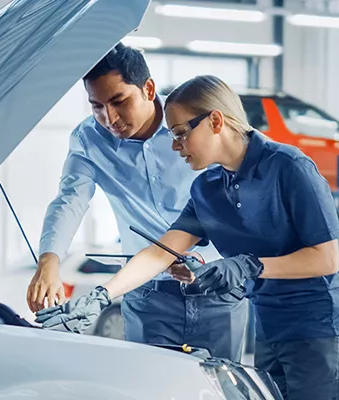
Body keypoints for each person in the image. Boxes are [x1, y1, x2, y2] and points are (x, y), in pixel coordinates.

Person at [36, 75, 339, 400]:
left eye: (180, 134)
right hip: (269, 328)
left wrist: (247, 266)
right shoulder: (207, 189)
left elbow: (325, 258)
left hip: (320, 328)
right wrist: (101, 296)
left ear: (215, 121)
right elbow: (160, 252)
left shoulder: (289, 167)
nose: (175, 146)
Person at [27, 43, 249, 362]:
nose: (110, 118)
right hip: (147, 295)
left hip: (216, 286)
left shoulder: (194, 128)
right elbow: (69, 201)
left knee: (220, 388)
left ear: (148, 88)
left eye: (119, 101)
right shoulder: (88, 140)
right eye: (97, 106)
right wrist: (49, 260)